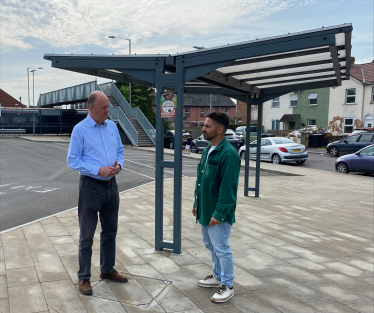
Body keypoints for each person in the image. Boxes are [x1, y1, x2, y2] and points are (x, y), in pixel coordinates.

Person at [67, 91, 127, 296]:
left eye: (108, 107)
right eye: (103, 108)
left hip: (112, 186)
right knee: (86, 236)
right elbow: (72, 160)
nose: (107, 111)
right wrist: (97, 170)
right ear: (91, 108)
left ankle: (107, 270)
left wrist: (119, 164)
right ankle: (84, 277)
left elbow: (120, 151)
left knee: (110, 232)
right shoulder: (80, 130)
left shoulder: (112, 127)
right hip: (91, 187)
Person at [192, 112, 241, 303]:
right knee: (210, 245)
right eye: (204, 125)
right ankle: (218, 275)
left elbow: (228, 189)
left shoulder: (228, 154)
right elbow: (201, 181)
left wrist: (219, 213)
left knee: (221, 248)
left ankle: (227, 285)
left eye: (207, 126)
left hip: (217, 213)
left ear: (220, 130)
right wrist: (197, 204)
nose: (203, 129)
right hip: (205, 209)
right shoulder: (208, 150)